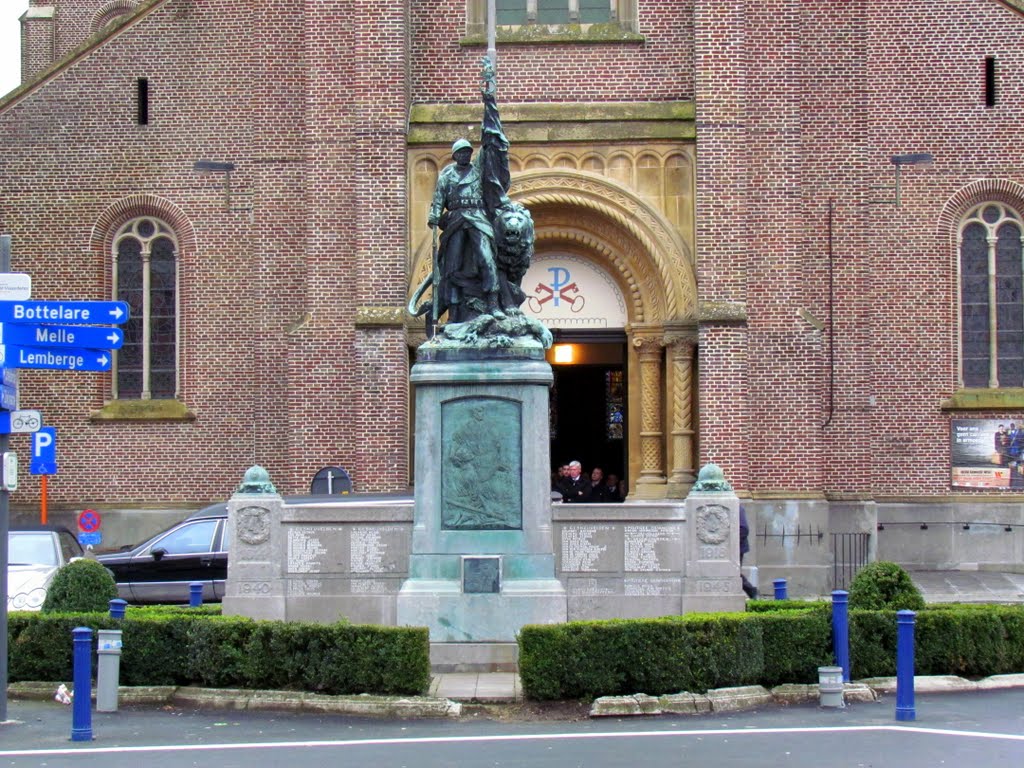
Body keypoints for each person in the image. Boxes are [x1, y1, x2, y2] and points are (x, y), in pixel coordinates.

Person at [739, 504, 757, 599]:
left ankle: (751, 590)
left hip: (737, 547)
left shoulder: (738, 508)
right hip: (726, 548)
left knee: (734, 573)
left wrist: (732, 545)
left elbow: (743, 529)